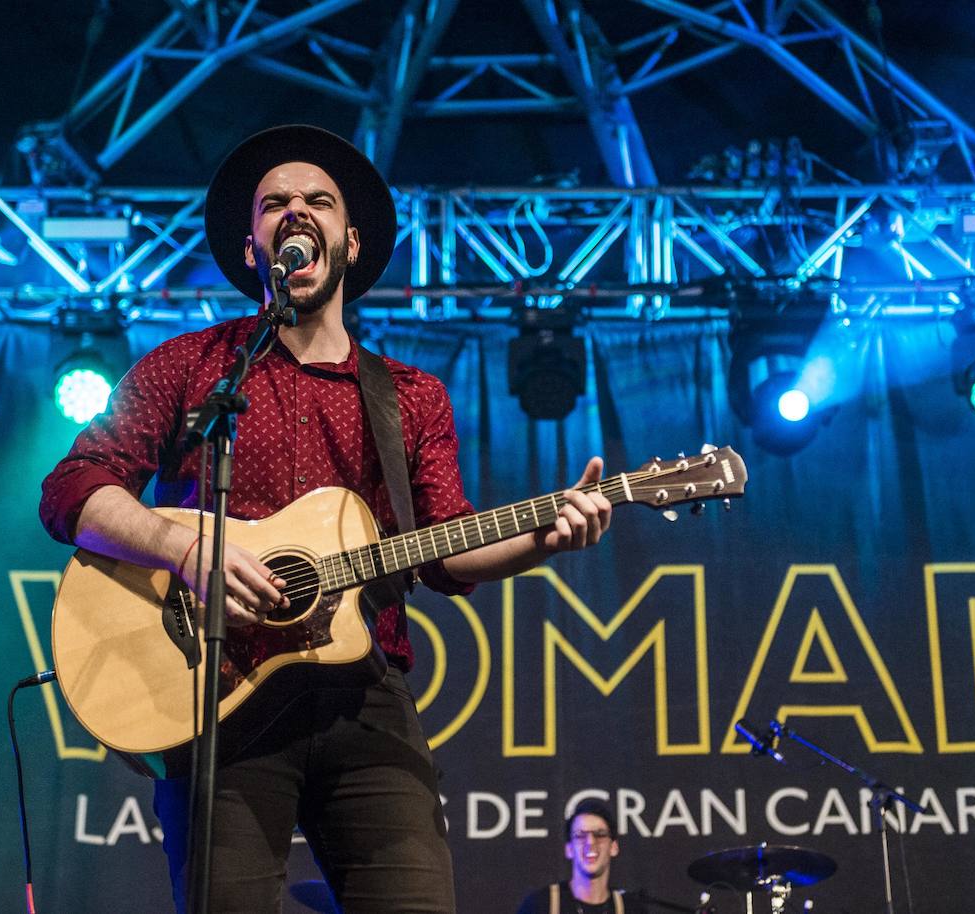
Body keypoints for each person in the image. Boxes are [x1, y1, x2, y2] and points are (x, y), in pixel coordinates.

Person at [38, 124, 614, 914]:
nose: (296, 210)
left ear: (350, 238)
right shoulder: (192, 367)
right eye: (275, 203)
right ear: (253, 248)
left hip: (363, 703)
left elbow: (445, 550)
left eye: (319, 200)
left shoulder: (410, 397)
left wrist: (544, 540)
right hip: (220, 702)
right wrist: (182, 550)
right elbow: (74, 487)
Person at [515, 798, 647, 914]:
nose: (590, 842)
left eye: (599, 834)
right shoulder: (540, 905)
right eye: (580, 836)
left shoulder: (631, 909)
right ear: (569, 849)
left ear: (613, 847)